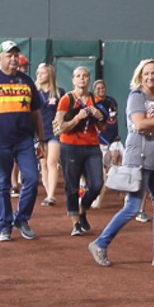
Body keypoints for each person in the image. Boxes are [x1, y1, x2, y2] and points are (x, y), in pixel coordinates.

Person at [87, 58, 154, 269]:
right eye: (146, 73)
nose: (150, 76)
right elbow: (140, 125)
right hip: (138, 158)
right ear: (140, 76)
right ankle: (100, 243)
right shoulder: (136, 96)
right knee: (132, 207)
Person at [0, 40, 44, 241]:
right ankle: (4, 225)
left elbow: (36, 114)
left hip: (25, 141)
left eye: (15, 55)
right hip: (0, 142)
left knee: (31, 179)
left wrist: (41, 140)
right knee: (3, 184)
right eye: (9, 55)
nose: (13, 59)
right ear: (0, 59)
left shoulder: (27, 81)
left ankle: (21, 219)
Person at [55, 64, 105, 236]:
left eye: (85, 75)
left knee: (97, 184)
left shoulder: (95, 99)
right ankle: (75, 221)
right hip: (70, 146)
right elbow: (60, 127)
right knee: (72, 186)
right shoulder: (66, 100)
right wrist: (78, 117)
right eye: (78, 76)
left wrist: (99, 117)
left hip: (91, 146)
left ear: (89, 79)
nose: (82, 79)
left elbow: (103, 127)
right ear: (73, 79)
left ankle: (83, 208)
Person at [33, 62, 64, 206]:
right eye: (38, 72)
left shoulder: (58, 92)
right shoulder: (34, 92)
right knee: (43, 162)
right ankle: (47, 192)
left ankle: (51, 195)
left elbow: (63, 113)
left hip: (53, 133)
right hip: (39, 133)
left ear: (50, 75)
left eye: (43, 73)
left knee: (52, 161)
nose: (39, 75)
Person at [93, 78, 120, 145]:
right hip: (100, 138)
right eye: (98, 88)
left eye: (103, 88)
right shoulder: (92, 103)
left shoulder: (111, 101)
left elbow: (114, 117)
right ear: (94, 90)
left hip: (114, 136)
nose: (101, 90)